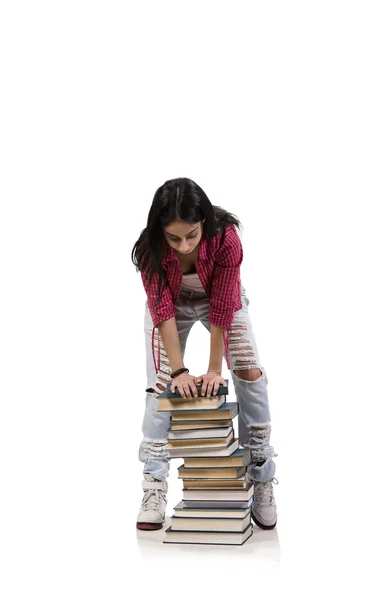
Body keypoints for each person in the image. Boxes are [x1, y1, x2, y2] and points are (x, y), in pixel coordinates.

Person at [131, 177, 278, 532]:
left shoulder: (225, 238)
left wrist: (214, 369)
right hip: (172, 307)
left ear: (204, 224)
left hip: (219, 302)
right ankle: (153, 484)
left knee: (249, 371)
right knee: (161, 384)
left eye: (191, 235)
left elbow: (224, 303)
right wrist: (180, 371)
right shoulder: (149, 249)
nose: (183, 245)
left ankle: (261, 476)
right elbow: (162, 311)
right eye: (174, 237)